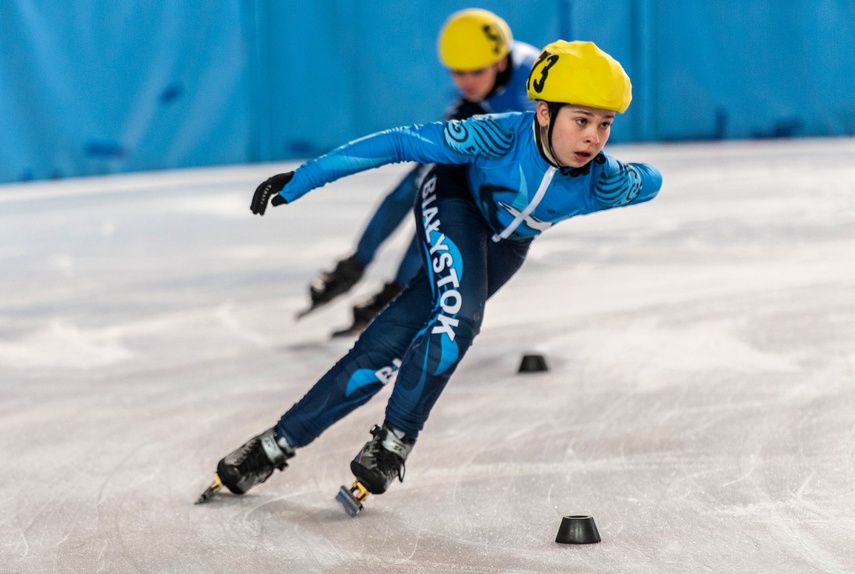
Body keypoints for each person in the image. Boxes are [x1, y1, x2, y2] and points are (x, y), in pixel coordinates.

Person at [201, 40, 663, 506]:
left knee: (385, 346)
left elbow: (652, 180)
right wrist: (303, 178)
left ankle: (270, 446)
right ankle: (394, 442)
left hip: (507, 246)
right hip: (455, 200)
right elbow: (397, 143)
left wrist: (633, 176)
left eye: (605, 124)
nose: (593, 138)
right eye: (581, 120)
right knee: (460, 318)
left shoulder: (603, 181)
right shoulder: (498, 135)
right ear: (543, 113)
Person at [302, 8, 540, 337]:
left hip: (516, 148)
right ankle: (352, 266)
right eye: (458, 73)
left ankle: (395, 293)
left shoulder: (533, 89)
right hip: (483, 115)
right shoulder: (477, 88)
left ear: (500, 63)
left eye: (475, 72)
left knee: (438, 211)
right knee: (411, 186)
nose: (466, 81)